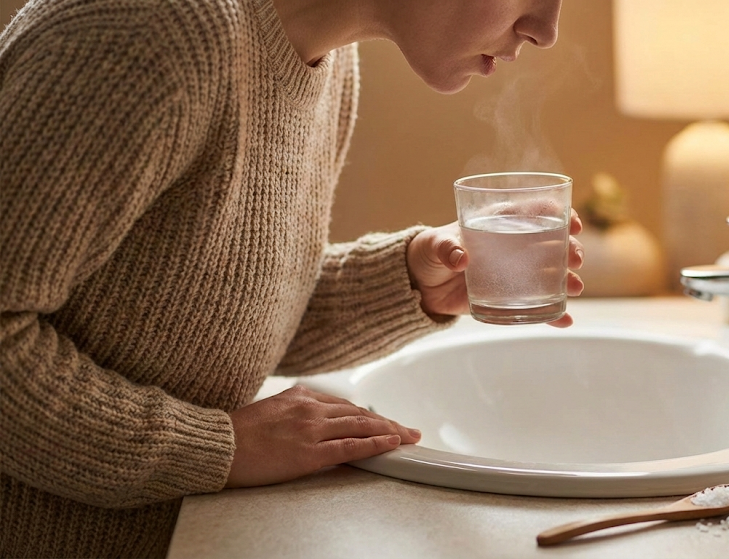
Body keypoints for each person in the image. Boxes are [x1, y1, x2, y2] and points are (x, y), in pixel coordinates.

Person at [0, 0, 581, 556]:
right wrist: (220, 449)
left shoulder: (325, 56)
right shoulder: (151, 32)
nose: (547, 28)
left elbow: (202, 316)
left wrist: (409, 282)